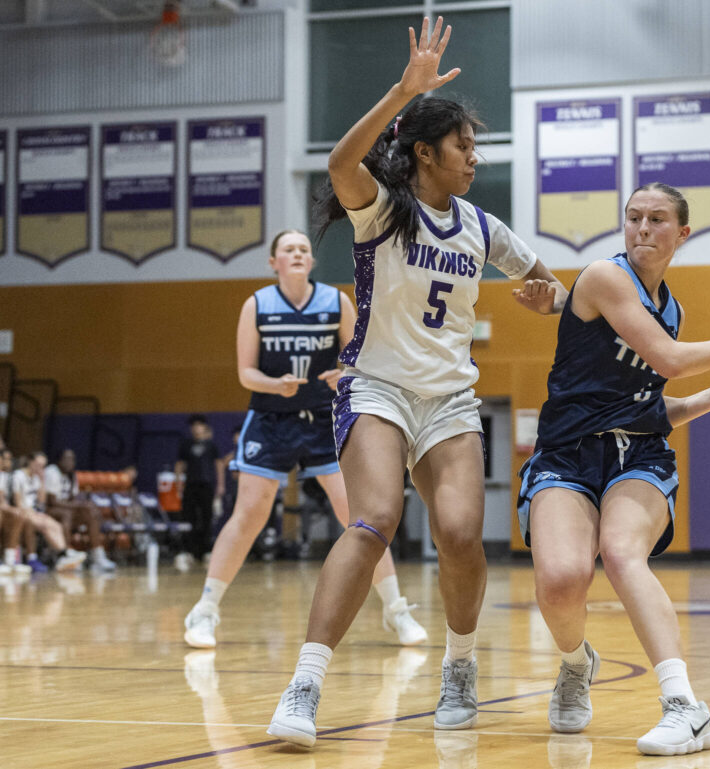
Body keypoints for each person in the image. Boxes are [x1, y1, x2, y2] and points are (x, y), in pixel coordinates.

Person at [266, 16, 567, 748]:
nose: (474, 157)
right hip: (377, 389)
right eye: (464, 146)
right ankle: (304, 684)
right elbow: (341, 162)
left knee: (463, 533)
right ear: (426, 152)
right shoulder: (386, 213)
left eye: (475, 147)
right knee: (372, 519)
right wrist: (402, 90)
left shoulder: (481, 226)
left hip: (449, 401)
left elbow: (549, 284)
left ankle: (458, 665)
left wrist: (546, 295)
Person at [516, 182, 710, 756]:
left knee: (621, 552)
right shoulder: (602, 277)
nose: (643, 228)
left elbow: (648, 407)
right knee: (563, 578)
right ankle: (576, 663)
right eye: (634, 217)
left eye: (658, 219)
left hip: (638, 453)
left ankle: (685, 708)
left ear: (681, 234)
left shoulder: (672, 307)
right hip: (567, 451)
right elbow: (669, 359)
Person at [183, 229, 427, 651]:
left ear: (311, 261)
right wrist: (275, 385)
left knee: (360, 518)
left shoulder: (336, 301)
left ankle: (396, 610)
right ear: (273, 262)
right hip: (270, 418)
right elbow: (246, 373)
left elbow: (359, 359)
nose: (296, 254)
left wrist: (343, 374)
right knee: (249, 515)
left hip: (322, 420)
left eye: (303, 249)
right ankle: (204, 610)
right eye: (287, 249)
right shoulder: (256, 305)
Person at [10, 452, 86, 572]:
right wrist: (29, 512)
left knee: (55, 525)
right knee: (44, 525)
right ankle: (61, 554)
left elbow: (41, 501)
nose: (41, 468)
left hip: (34, 512)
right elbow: (17, 502)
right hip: (21, 511)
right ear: (30, 462)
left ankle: (63, 555)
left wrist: (42, 480)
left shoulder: (36, 478)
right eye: (38, 465)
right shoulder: (18, 475)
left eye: (43, 466)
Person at [44, 448, 117, 570]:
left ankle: (97, 555)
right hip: (49, 510)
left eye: (72, 459)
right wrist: (80, 506)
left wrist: (84, 506)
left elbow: (72, 499)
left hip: (66, 510)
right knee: (67, 513)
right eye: (67, 459)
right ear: (59, 460)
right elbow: (51, 501)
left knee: (89, 513)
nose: (70, 462)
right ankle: (65, 553)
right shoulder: (52, 472)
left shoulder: (72, 476)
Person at [174, 415, 225, 570]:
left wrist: (220, 484)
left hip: (207, 485)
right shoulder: (186, 445)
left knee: (207, 517)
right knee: (189, 518)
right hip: (190, 485)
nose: (196, 428)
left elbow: (219, 465)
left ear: (204, 427)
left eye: (199, 425)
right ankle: (189, 551)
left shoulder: (211, 445)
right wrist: (178, 483)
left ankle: (206, 551)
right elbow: (180, 465)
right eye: (194, 425)